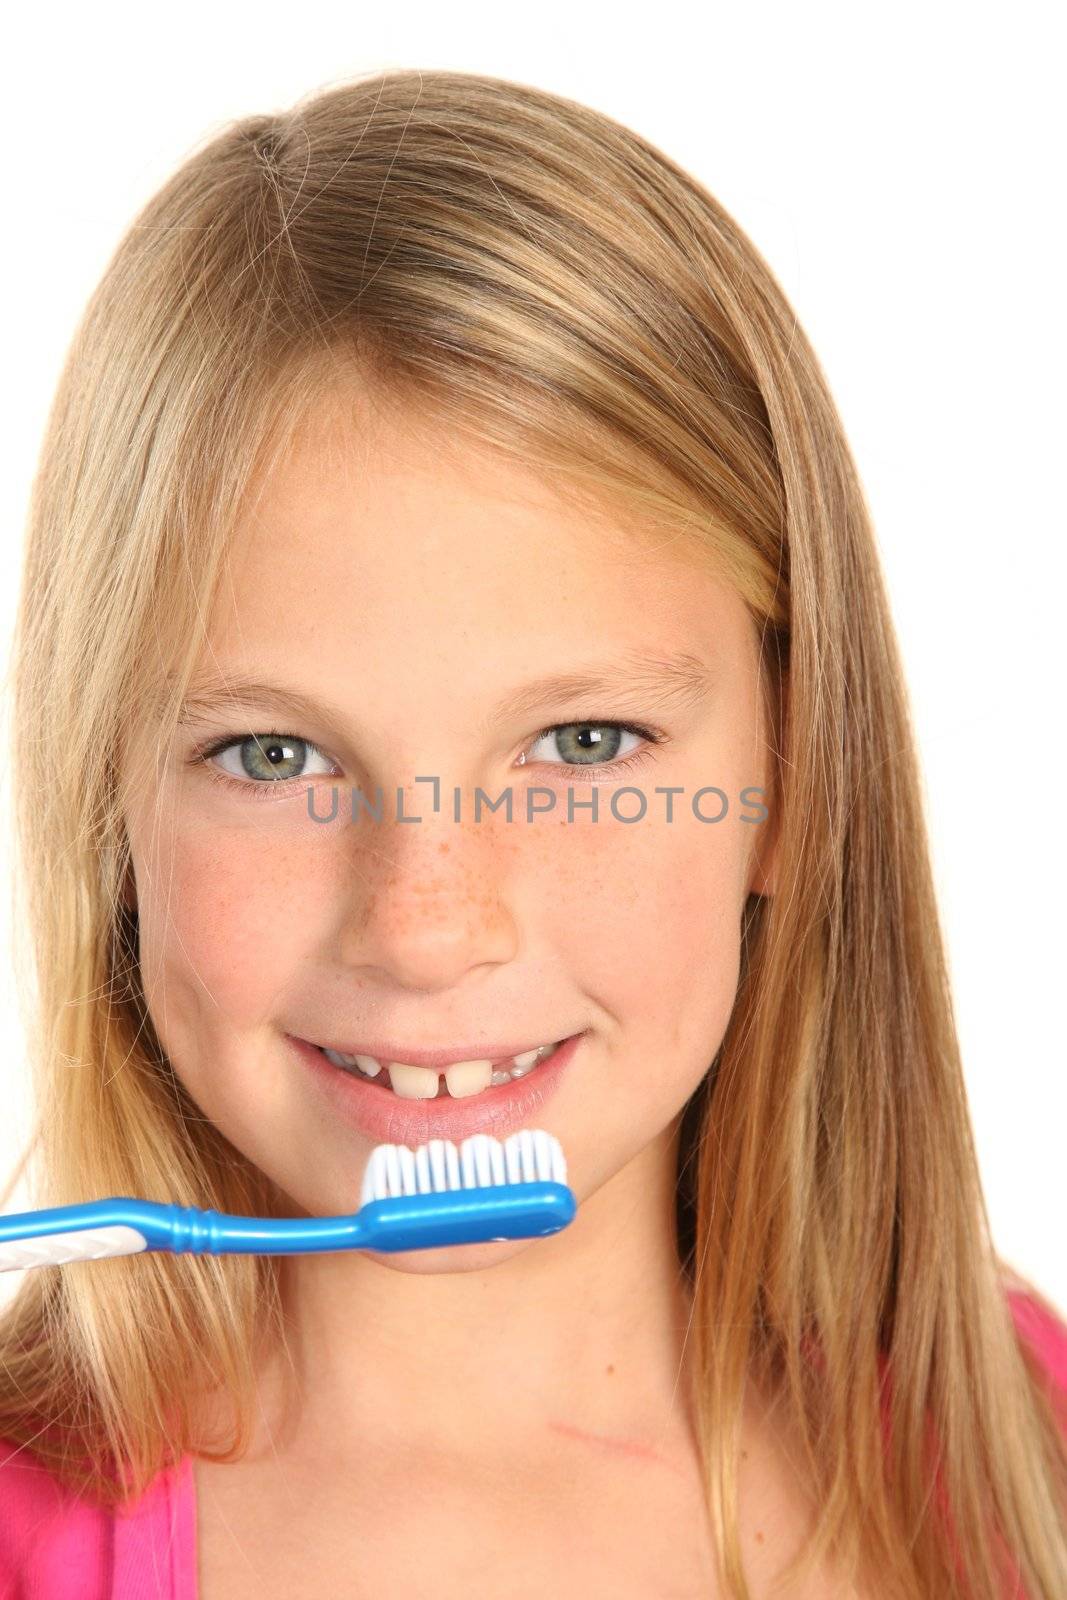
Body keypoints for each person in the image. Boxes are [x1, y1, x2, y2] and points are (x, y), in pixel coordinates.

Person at [0, 67, 1064, 1600]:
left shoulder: (1021, 1441)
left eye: (580, 744)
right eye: (274, 752)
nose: (427, 925)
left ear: (796, 764)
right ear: (106, 795)